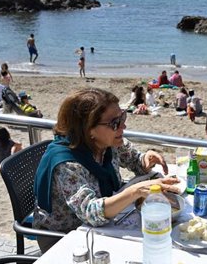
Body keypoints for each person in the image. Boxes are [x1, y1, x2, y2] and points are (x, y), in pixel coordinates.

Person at [32, 88, 179, 250]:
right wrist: (135, 191)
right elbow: (90, 212)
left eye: (122, 116)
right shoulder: (66, 164)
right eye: (115, 123)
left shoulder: (107, 142)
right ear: (88, 129)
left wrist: (146, 159)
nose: (123, 125)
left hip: (99, 228)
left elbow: (134, 160)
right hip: (63, 237)